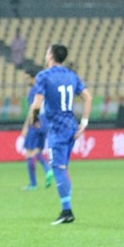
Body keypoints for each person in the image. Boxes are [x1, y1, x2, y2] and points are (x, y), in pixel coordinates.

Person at [25, 44, 92, 224]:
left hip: (57, 129)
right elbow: (88, 97)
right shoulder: (72, 75)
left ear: (51, 56)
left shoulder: (44, 76)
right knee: (63, 168)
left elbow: (38, 101)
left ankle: (67, 211)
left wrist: (33, 117)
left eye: (47, 52)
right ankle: (66, 208)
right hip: (71, 126)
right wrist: (84, 122)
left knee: (58, 169)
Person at [20, 68, 53, 191]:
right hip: (45, 124)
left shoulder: (34, 90)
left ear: (33, 78)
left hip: (35, 123)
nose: (26, 81)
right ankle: (47, 169)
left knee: (29, 153)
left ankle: (33, 183)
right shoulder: (46, 89)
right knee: (37, 151)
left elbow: (32, 108)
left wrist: (26, 126)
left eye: (27, 78)